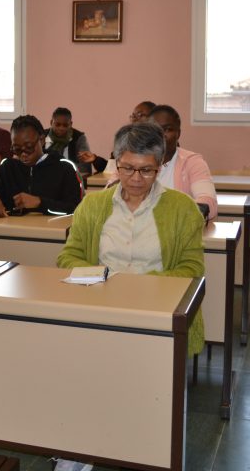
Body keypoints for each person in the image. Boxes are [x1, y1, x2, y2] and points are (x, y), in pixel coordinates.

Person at [55, 123, 205, 469]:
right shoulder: (93, 206)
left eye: (146, 170)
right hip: (99, 313)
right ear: (116, 162)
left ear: (160, 166)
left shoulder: (182, 209)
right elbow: (69, 256)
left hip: (160, 322)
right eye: (127, 168)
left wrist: (135, 286)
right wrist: (104, 281)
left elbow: (191, 270)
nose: (136, 178)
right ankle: (76, 456)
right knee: (82, 390)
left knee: (153, 410)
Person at [106, 105, 217, 220]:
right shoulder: (132, 160)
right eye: (155, 130)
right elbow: (107, 196)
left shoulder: (192, 162)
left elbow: (208, 203)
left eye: (167, 129)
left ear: (178, 134)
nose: (161, 135)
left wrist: (170, 214)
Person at [0, 115, 83, 218]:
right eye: (17, 149)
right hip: (14, 229)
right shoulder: (8, 167)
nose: (23, 154)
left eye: (29, 147)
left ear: (42, 140)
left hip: (52, 231)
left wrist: (40, 203)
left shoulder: (64, 168)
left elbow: (76, 208)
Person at [45, 107, 107, 175]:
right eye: (58, 125)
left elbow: (85, 168)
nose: (61, 128)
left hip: (71, 180)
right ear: (51, 122)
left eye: (65, 125)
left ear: (71, 124)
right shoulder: (42, 137)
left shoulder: (78, 138)